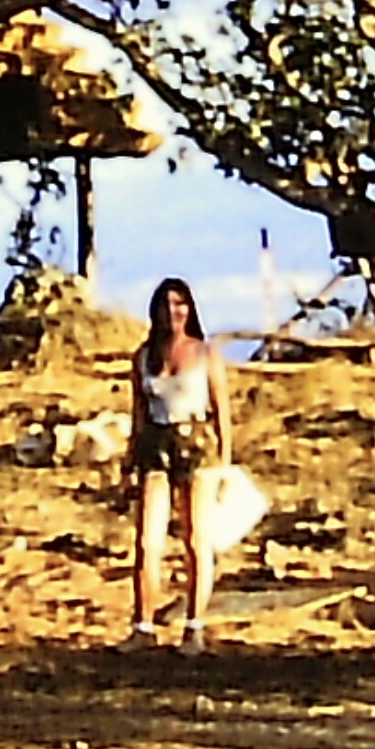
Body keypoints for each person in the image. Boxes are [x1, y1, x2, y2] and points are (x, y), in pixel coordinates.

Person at [126, 275, 234, 653]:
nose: (173, 312)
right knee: (146, 541)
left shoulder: (206, 355)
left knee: (195, 538)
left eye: (179, 303)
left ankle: (195, 625)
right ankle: (143, 625)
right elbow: (138, 412)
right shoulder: (143, 357)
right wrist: (129, 460)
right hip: (156, 445)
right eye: (165, 305)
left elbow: (222, 410)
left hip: (196, 446)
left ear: (189, 309)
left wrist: (226, 463)